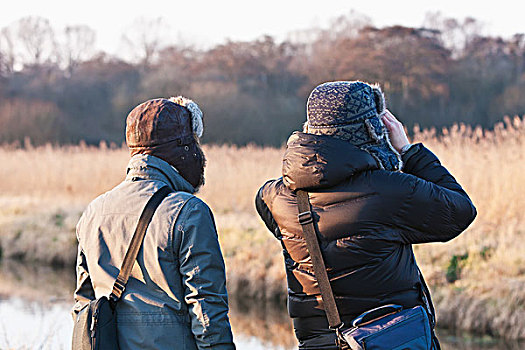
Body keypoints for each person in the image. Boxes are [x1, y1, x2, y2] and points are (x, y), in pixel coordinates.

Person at [255, 81, 477, 349]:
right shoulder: (390, 191)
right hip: (390, 339)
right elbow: (460, 211)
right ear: (371, 130)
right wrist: (409, 151)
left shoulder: (275, 197)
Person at [73, 97, 235, 349]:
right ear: (182, 149)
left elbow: (83, 306)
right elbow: (207, 313)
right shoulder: (189, 212)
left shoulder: (94, 212)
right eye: (194, 143)